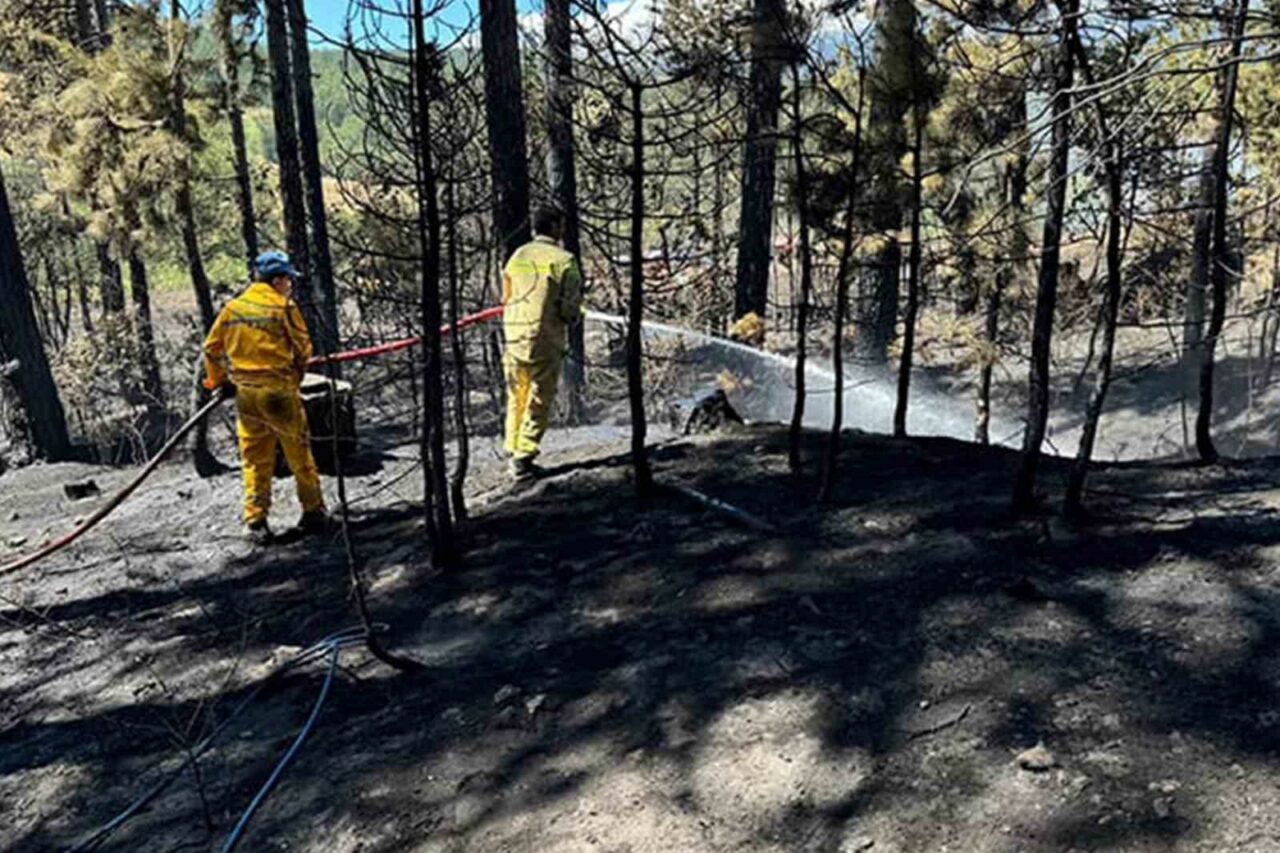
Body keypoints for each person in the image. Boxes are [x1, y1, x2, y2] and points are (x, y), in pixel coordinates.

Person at [202, 251, 328, 543]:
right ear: (278, 280)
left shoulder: (232, 309)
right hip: (279, 392)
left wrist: (220, 381)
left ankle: (255, 521)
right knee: (299, 455)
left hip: (247, 396)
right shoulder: (283, 307)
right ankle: (313, 512)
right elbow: (303, 348)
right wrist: (295, 377)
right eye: (288, 280)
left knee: (255, 459)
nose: (290, 285)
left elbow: (211, 349)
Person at [502, 207, 584, 481]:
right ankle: (523, 458)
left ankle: (512, 447)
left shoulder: (518, 255)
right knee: (539, 398)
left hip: (513, 335)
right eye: (561, 225)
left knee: (517, 395)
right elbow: (569, 309)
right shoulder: (564, 261)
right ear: (555, 226)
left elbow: (506, 296)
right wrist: (575, 315)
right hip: (544, 339)